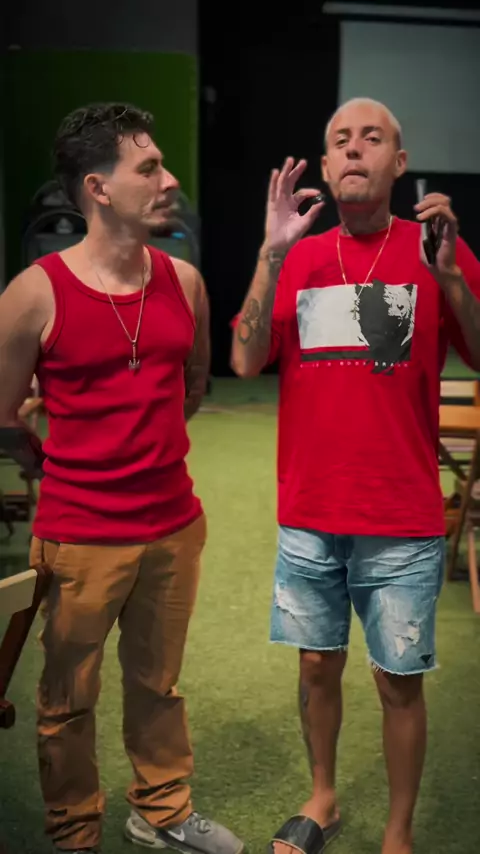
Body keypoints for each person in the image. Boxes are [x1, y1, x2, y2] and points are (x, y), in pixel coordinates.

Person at [231, 97, 480, 854]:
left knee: (398, 682)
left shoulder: (437, 252)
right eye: (340, 139)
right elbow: (244, 358)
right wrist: (270, 252)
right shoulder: (301, 259)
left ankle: (398, 833)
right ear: (326, 162)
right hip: (310, 510)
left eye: (371, 138)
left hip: (400, 513)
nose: (353, 149)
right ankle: (324, 798)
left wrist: (452, 281)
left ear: (398, 164)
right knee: (316, 667)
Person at [0, 102, 243, 854]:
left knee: (156, 684)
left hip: (173, 526)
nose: (169, 181)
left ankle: (161, 810)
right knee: (67, 698)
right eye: (150, 167)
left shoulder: (186, 281)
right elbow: (4, 415)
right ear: (99, 187)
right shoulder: (34, 293)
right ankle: (75, 832)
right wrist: (63, 468)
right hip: (79, 535)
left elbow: (193, 385)